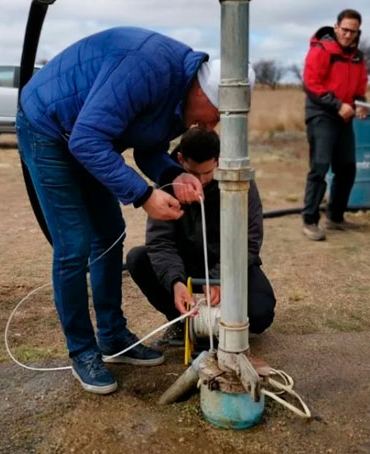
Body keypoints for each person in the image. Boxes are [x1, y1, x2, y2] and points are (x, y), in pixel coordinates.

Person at [17, 26, 254, 395]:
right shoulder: (147, 69)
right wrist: (143, 195)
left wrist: (174, 175)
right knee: (75, 244)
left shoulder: (180, 98)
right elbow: (86, 140)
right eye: (210, 117)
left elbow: (147, 147)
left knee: (110, 234)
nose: (208, 127)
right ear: (200, 91)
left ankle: (112, 337)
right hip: (48, 127)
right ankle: (82, 351)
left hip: (87, 135)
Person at [126, 128, 275, 347]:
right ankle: (182, 322)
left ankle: (219, 322)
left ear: (218, 160)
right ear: (180, 159)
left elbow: (250, 239)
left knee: (260, 314)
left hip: (230, 263)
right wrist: (175, 281)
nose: (202, 181)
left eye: (208, 173)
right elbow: (160, 242)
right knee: (138, 259)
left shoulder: (239, 182)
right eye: (194, 174)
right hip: (186, 264)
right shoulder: (168, 183)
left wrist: (221, 276)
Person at [302, 8, 369, 241]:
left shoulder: (359, 57)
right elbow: (311, 84)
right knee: (320, 166)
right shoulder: (321, 50)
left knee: (348, 167)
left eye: (354, 31)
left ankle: (335, 217)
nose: (349, 35)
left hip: (344, 117)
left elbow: (360, 88)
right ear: (337, 27)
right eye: (345, 30)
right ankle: (310, 221)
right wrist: (338, 104)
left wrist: (361, 104)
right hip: (321, 113)